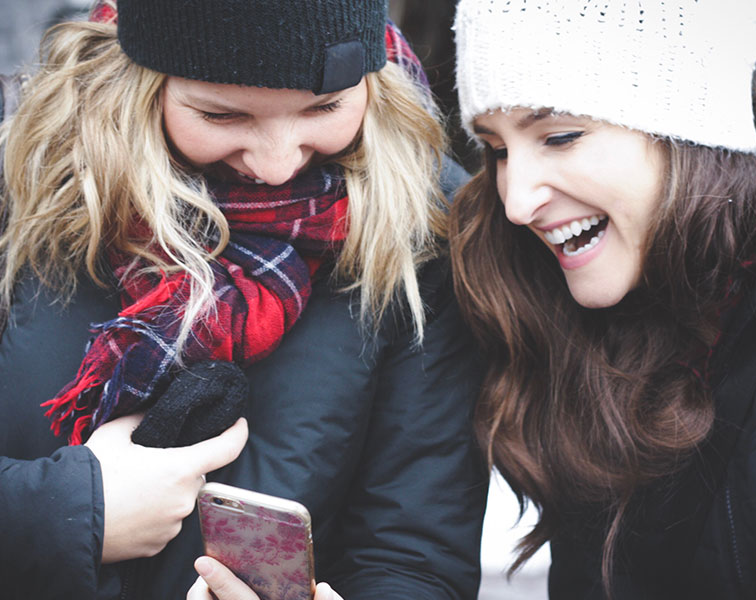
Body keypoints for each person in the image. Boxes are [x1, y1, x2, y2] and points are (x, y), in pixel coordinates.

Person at [0, 1, 488, 599]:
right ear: (144, 83)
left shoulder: (425, 224)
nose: (279, 165)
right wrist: (71, 514)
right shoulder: (25, 181)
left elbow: (415, 554)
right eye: (223, 115)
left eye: (324, 106)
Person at [449, 1, 756, 599]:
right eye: (499, 150)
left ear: (693, 127)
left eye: (559, 137)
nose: (516, 203)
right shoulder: (575, 315)